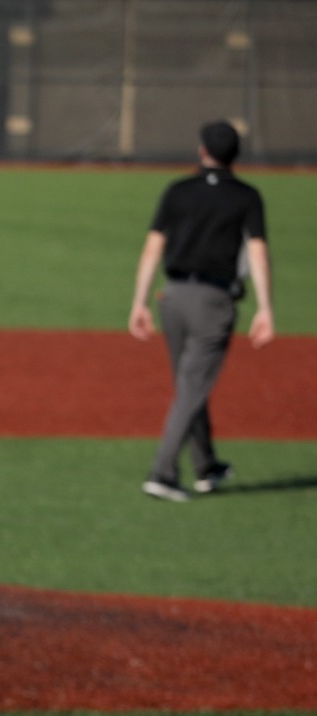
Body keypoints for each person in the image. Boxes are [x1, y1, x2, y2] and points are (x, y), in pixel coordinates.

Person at [128, 119, 275, 501]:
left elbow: (152, 248)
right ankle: (162, 473)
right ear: (235, 155)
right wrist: (266, 308)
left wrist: (139, 302)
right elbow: (257, 252)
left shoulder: (178, 190)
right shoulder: (246, 196)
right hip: (213, 301)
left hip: (173, 297)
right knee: (192, 387)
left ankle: (205, 464)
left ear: (202, 151)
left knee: (189, 385)